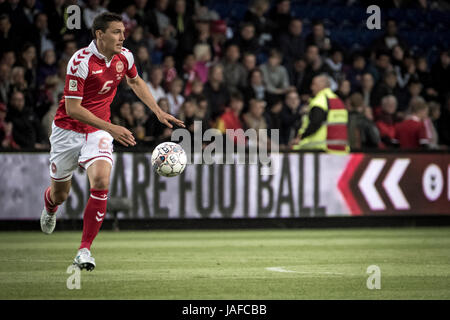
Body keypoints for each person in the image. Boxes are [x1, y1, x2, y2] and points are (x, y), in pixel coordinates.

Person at [40, 12, 184, 271]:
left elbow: (135, 81)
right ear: (100, 34)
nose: (123, 36)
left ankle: (84, 250)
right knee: (60, 194)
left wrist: (158, 111)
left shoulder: (124, 56)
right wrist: (113, 128)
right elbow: (73, 109)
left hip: (98, 132)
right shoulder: (80, 61)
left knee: (102, 181)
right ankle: (50, 207)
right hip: (67, 131)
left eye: (123, 31)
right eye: (117, 32)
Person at [292, 74, 349, 153]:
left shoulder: (320, 101)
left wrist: (301, 137)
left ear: (322, 85)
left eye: (314, 84)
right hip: (340, 149)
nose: (312, 87)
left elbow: (315, 123)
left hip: (319, 148)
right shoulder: (338, 101)